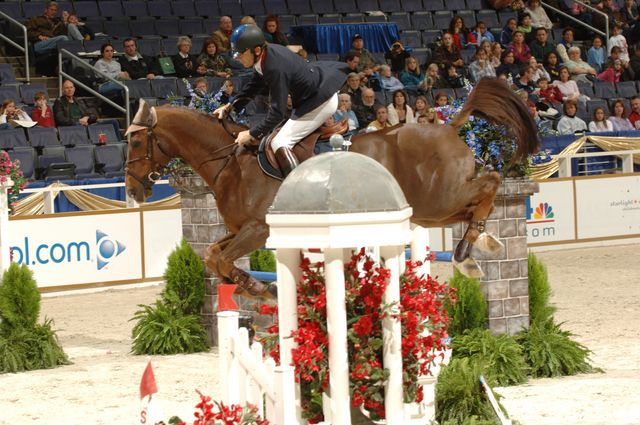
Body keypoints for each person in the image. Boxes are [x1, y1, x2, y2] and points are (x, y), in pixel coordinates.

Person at [212, 25, 347, 177]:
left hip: (319, 102)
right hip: (311, 94)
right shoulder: (265, 55)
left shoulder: (275, 67)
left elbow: (277, 113)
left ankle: (296, 188)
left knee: (279, 143)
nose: (237, 58)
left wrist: (251, 133)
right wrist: (230, 106)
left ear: (256, 50)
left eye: (241, 53)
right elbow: (254, 86)